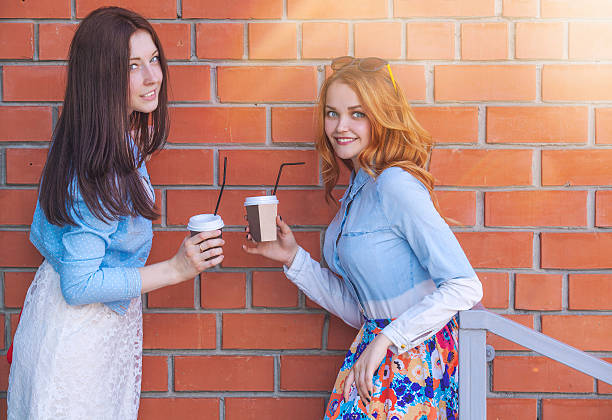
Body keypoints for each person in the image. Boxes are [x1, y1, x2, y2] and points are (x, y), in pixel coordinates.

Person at [7, 7, 224, 419]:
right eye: (132, 66)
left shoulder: (95, 135)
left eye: (154, 59)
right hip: (78, 341)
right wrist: (178, 268)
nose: (152, 76)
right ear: (101, 76)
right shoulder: (102, 162)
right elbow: (80, 283)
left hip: (71, 324)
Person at [243, 56, 482, 420]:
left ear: (380, 116)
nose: (341, 126)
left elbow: (464, 286)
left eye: (357, 114)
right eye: (332, 113)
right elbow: (362, 311)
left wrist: (389, 338)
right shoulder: (357, 191)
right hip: (376, 353)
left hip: (414, 359)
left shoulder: (395, 184)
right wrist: (293, 259)